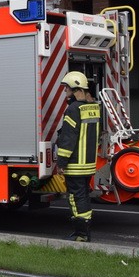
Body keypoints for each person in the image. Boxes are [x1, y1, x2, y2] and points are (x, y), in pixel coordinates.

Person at [54, 71, 102, 242]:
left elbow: (68, 139)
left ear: (74, 88)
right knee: (83, 196)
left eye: (66, 87)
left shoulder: (73, 109)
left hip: (75, 164)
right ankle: (85, 231)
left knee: (75, 198)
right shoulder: (93, 107)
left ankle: (81, 234)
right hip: (88, 163)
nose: (65, 90)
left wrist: (61, 162)